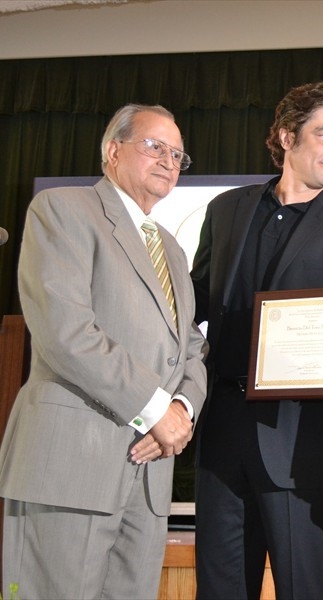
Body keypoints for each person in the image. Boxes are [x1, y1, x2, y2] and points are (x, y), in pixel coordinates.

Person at [191, 80, 323, 600]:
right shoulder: (226, 210)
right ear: (286, 137)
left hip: (304, 443)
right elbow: (194, 301)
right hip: (222, 432)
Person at [0, 104, 207, 599]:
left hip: (149, 473)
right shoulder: (62, 209)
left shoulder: (172, 249)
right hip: (72, 463)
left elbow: (192, 346)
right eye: (155, 146)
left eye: (177, 154)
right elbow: (66, 332)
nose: (169, 161)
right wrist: (156, 409)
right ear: (113, 150)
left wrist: (181, 409)